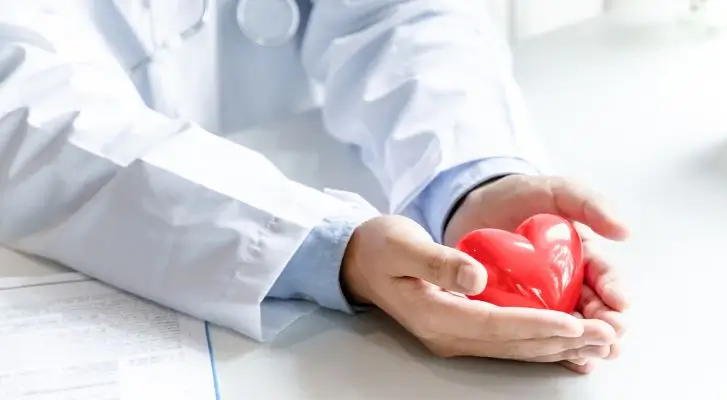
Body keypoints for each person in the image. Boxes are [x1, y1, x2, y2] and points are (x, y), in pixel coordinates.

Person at [0, 0, 629, 374]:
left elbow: (395, 11)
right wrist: (330, 248)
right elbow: (25, 106)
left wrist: (472, 180)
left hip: (309, 191)